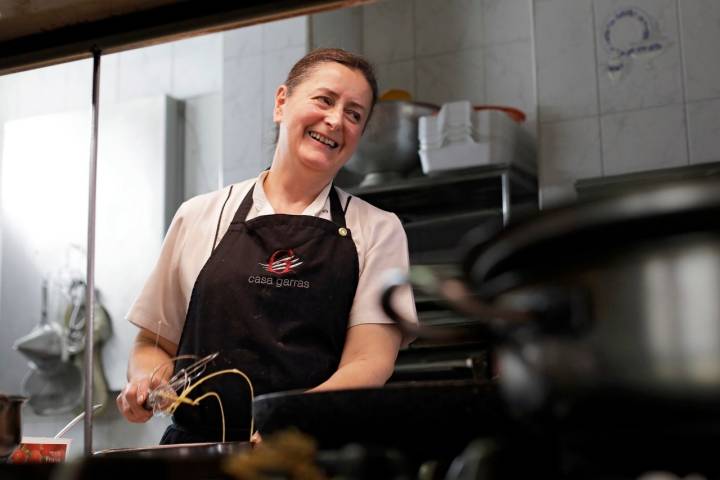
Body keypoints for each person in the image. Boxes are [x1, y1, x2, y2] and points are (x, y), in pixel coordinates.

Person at [116, 48, 418, 444]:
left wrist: (291, 419)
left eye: (354, 114)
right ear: (281, 103)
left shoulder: (378, 229)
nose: (335, 120)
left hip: (309, 454)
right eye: (324, 100)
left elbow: (370, 359)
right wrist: (147, 382)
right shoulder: (199, 215)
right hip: (198, 456)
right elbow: (153, 344)